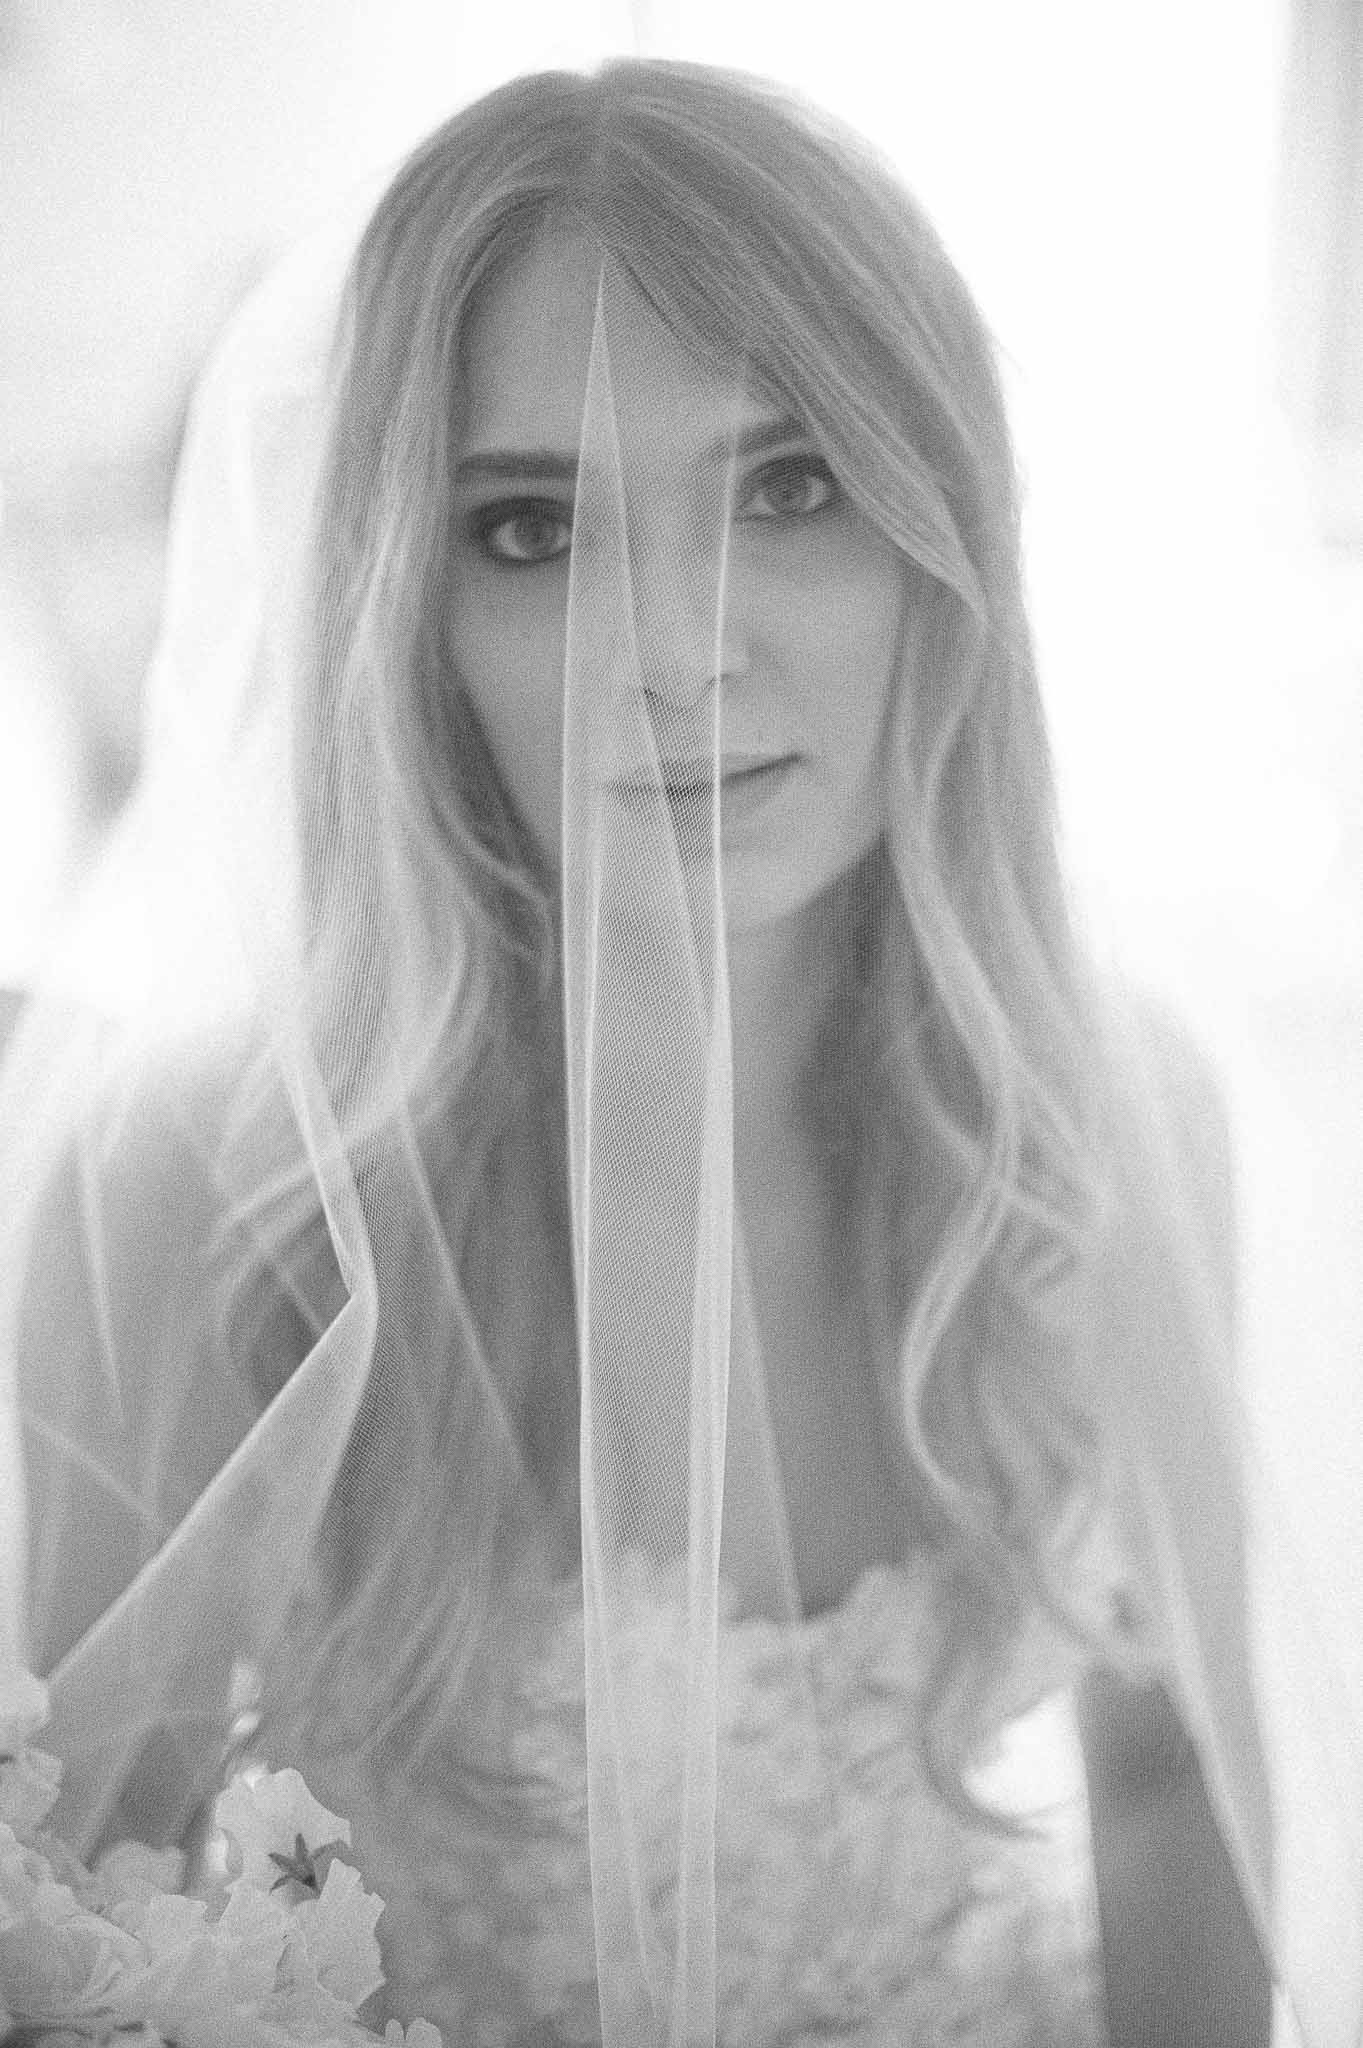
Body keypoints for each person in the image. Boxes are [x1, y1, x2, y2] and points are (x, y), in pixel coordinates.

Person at [2, 55, 1356, 2048]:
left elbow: (1170, 1800)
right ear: (407, 611)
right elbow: (67, 1927)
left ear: (939, 534)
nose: (677, 645)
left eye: (786, 483)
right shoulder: (195, 1186)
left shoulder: (1097, 1101)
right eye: (533, 525)